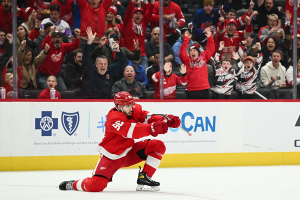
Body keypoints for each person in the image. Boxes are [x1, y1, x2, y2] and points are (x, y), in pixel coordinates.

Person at [59, 91, 181, 192]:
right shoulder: (113, 119)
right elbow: (132, 131)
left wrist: (165, 120)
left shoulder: (133, 110)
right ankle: (73, 184)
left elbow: (147, 117)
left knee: (158, 146)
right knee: (96, 186)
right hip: (112, 157)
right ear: (118, 106)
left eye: (131, 105)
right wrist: (153, 128)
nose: (131, 108)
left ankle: (145, 177)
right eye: (127, 106)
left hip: (129, 153)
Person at [79, 27, 128, 99]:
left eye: (105, 64)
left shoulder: (110, 70)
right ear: (96, 64)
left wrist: (119, 51)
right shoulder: (90, 69)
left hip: (104, 103)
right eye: (100, 64)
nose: (103, 66)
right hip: (87, 102)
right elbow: (86, 58)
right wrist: (89, 42)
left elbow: (124, 63)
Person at [179, 28, 215, 99]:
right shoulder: (187, 60)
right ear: (189, 53)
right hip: (191, 89)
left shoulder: (203, 56)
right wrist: (186, 39)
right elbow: (182, 53)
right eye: (191, 51)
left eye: (195, 50)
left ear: (198, 52)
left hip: (204, 88)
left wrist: (210, 37)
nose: (193, 52)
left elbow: (211, 49)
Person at [122, 0, 155, 70]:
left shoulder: (144, 23)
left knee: (144, 72)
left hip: (141, 55)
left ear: (142, 16)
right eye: (136, 13)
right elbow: (128, 12)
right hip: (129, 54)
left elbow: (149, 13)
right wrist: (132, 2)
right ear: (133, 15)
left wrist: (151, 3)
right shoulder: (127, 22)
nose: (138, 15)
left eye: (140, 14)